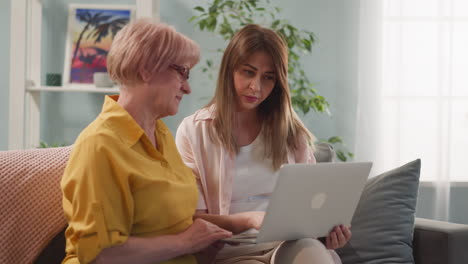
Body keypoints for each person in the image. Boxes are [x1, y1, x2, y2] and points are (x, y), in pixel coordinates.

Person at [60, 19, 232, 264]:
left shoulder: (160, 134)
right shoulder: (99, 145)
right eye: (182, 72)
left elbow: (171, 224)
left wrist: (203, 243)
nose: (187, 87)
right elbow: (102, 254)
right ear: (147, 68)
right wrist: (186, 243)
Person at [176, 24, 351, 263]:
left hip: (289, 244)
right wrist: (250, 219)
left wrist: (327, 233)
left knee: (314, 254)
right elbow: (191, 219)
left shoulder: (292, 134)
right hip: (232, 251)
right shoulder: (195, 130)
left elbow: (310, 211)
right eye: (248, 72)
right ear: (230, 70)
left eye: (268, 78)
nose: (256, 87)